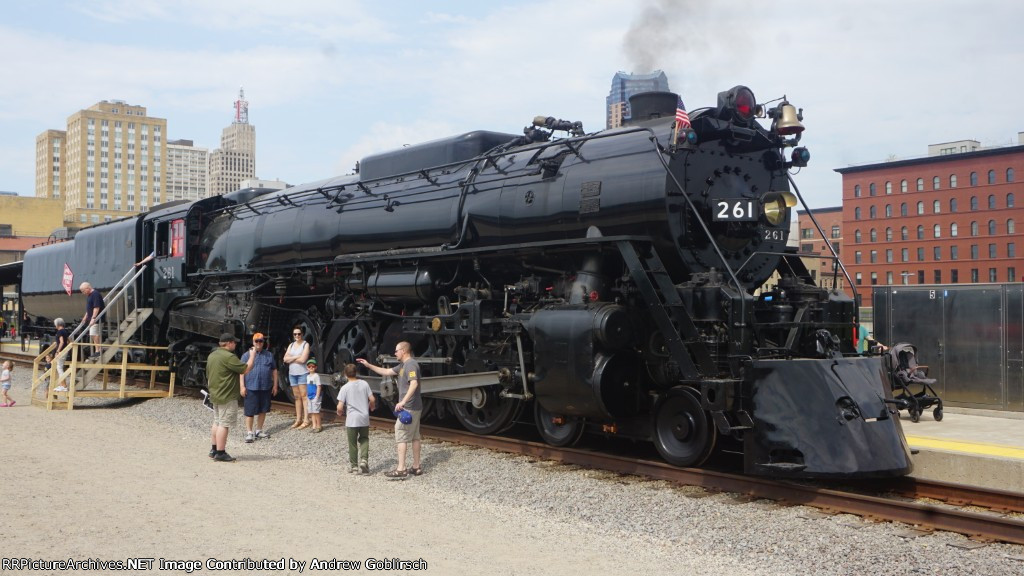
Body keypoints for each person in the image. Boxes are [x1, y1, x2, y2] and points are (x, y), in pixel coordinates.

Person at [357, 341, 423, 479]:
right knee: (415, 436)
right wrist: (368, 365)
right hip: (415, 406)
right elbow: (386, 371)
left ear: (404, 351)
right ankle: (416, 467)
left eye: (396, 350)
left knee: (401, 433)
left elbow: (414, 383)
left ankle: (401, 469)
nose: (395, 353)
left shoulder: (410, 364)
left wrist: (403, 401)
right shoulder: (403, 365)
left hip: (409, 407)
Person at [205, 333, 256, 462]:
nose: (236, 344)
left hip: (216, 394)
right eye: (234, 342)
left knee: (217, 421)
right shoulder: (229, 357)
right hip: (226, 395)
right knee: (224, 424)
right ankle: (221, 452)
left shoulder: (212, 355)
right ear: (228, 343)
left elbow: (208, 374)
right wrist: (252, 356)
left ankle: (214, 449)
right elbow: (245, 369)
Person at [336, 363, 376, 474]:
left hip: (352, 420)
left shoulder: (345, 388)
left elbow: (339, 406)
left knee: (352, 443)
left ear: (345, 374)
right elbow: (372, 399)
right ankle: (364, 460)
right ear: (356, 372)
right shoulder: (364, 384)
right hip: (364, 418)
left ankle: (354, 466)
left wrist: (339, 412)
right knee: (364, 439)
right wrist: (372, 406)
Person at [240, 332, 277, 443]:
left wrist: (275, 385)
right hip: (251, 386)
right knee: (250, 411)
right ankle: (249, 432)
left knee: (263, 410)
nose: (259, 343)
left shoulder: (269, 355)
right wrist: (242, 386)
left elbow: (274, 370)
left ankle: (259, 430)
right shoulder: (246, 355)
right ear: (253, 342)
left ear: (263, 342)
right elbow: (241, 372)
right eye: (257, 341)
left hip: (265, 387)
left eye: (261, 341)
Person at [283, 326, 311, 429]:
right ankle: (298, 419)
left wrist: (291, 358)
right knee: (297, 397)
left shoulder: (305, 345)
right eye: (295, 334)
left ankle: (306, 419)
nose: (297, 336)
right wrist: (296, 357)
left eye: (299, 334)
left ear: (302, 334)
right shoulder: (291, 345)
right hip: (292, 374)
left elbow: (303, 360)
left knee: (304, 396)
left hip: (302, 373)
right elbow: (285, 359)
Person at [79, 282, 105, 359]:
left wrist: (93, 318)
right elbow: (89, 308)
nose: (83, 293)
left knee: (94, 334)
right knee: (93, 334)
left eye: (83, 291)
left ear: (88, 288)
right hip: (92, 319)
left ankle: (98, 350)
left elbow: (96, 307)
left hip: (97, 319)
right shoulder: (89, 296)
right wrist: (85, 317)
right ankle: (98, 350)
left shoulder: (95, 294)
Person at [52, 318, 71, 393]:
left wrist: (57, 351)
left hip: (61, 351)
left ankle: (64, 386)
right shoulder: (65, 331)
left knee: (59, 367)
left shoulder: (60, 332)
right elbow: (69, 341)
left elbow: (62, 342)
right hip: (65, 351)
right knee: (60, 367)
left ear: (57, 324)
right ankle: (62, 384)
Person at [305, 358, 323, 433]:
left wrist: (317, 396)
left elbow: (319, 386)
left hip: (315, 396)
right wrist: (306, 395)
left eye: (313, 366)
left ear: (315, 367)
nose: (311, 368)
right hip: (309, 396)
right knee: (312, 411)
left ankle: (319, 426)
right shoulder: (308, 376)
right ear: (307, 368)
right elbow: (307, 386)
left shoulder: (316, 376)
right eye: (309, 366)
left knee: (316, 412)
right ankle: (314, 425)